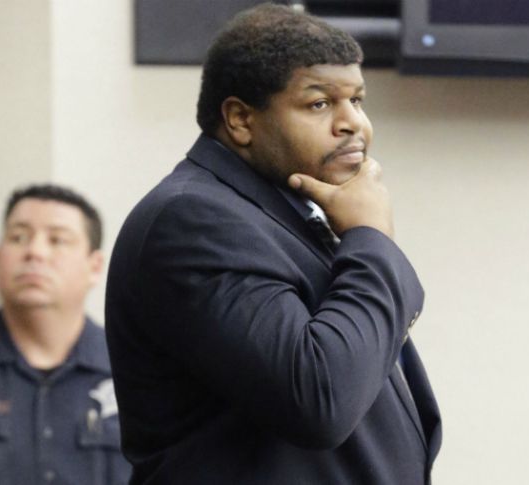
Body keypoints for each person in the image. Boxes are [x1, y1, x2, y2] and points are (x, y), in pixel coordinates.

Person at [105, 3, 442, 484]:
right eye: (320, 103)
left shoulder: (286, 213)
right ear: (241, 120)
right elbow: (320, 398)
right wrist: (371, 239)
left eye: (357, 100)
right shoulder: (193, 221)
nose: (353, 123)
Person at [0, 184, 131, 485]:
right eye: (18, 237)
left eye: (57, 240)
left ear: (94, 266)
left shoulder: (133, 371)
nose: (35, 252)